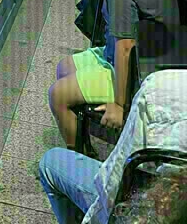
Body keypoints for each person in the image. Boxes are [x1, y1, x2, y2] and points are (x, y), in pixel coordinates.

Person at [48, 0, 178, 152]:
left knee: (57, 94)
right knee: (65, 66)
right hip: (147, 60)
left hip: (139, 75)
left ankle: (78, 157)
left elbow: (125, 47)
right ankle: (82, 132)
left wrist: (119, 104)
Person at [39, 69, 187, 224]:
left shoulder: (161, 86)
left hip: (148, 205)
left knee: (50, 161)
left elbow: (115, 180)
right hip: (168, 197)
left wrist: (119, 104)